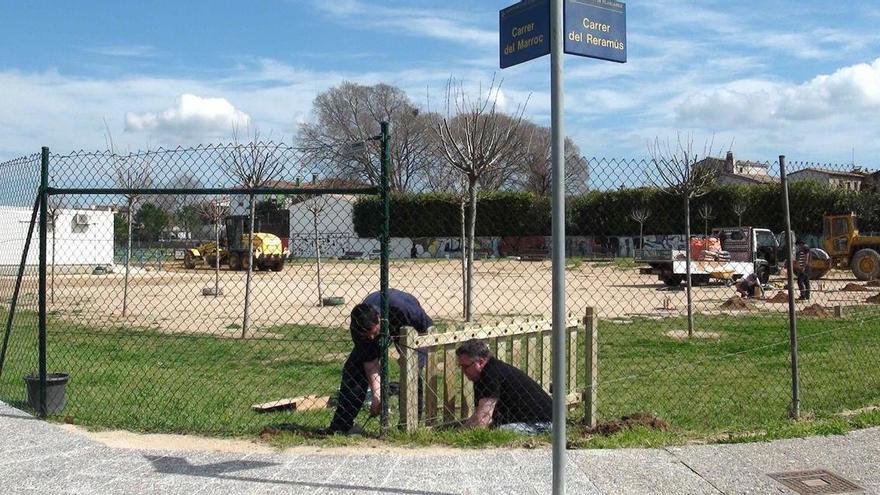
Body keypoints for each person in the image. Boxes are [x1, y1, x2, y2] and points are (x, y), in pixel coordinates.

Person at [328, 289, 432, 434]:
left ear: (379, 318)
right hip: (384, 323)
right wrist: (377, 395)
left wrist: (409, 358)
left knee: (412, 373)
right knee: (354, 371)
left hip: (412, 328)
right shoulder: (358, 328)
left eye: (374, 333)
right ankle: (341, 426)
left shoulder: (403, 308)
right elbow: (370, 363)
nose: (371, 338)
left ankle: (410, 425)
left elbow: (427, 329)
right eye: (367, 335)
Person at [456, 339, 552, 435]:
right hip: (530, 422)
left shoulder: (490, 374)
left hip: (544, 424)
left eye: (465, 366)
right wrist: (459, 432)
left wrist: (465, 437)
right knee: (497, 429)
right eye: (461, 367)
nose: (463, 371)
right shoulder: (482, 375)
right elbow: (479, 414)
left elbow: (484, 419)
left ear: (480, 362)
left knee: (500, 432)